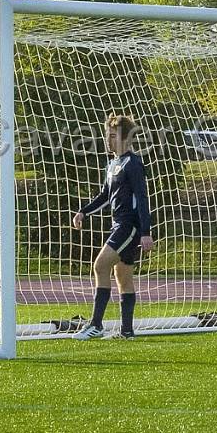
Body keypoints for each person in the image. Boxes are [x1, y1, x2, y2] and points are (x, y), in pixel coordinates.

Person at [72, 114, 154, 339]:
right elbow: (105, 195)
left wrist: (146, 233)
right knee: (123, 278)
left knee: (100, 265)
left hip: (128, 227)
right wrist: (83, 211)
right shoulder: (112, 164)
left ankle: (96, 325)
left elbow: (142, 198)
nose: (108, 141)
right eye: (106, 136)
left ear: (126, 139)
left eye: (112, 136)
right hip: (118, 225)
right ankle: (127, 331)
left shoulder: (133, 163)